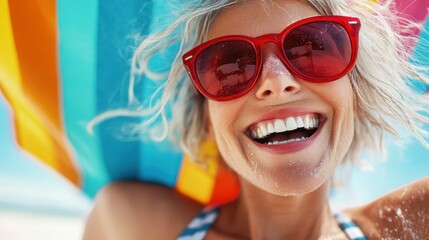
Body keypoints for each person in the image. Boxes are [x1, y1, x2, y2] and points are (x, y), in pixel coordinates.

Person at [83, 0, 429, 239]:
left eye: (315, 49)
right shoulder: (128, 222)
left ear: (355, 96)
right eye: (229, 68)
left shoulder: (409, 225)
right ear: (206, 121)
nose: (276, 82)